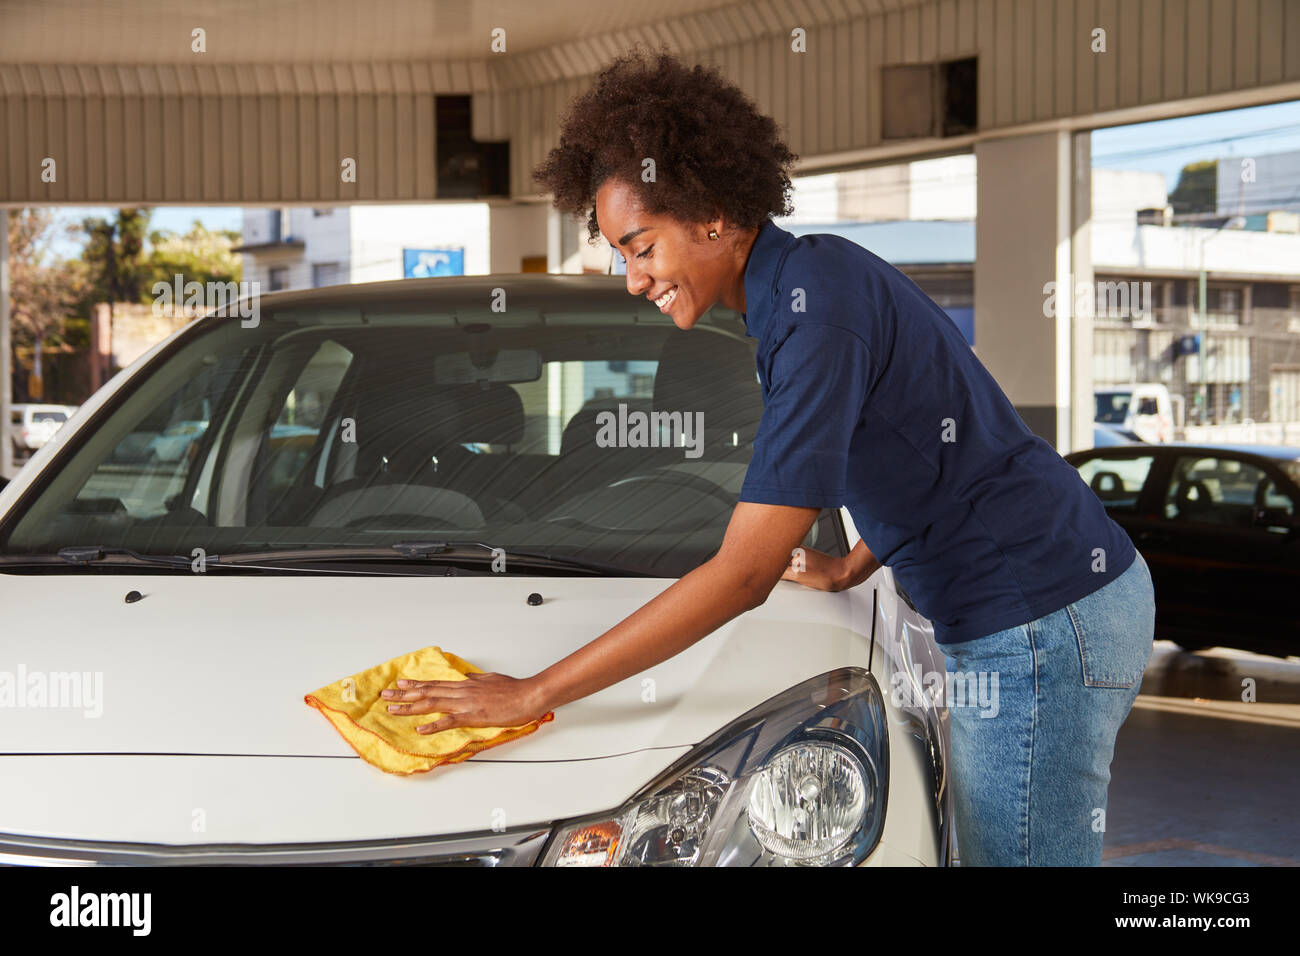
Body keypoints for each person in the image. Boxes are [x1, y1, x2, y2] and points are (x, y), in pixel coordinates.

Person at [378, 45, 1155, 866]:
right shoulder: (800, 295)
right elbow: (923, 442)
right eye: (621, 256)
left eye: (642, 247)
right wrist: (853, 564)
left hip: (1038, 620)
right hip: (1039, 608)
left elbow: (745, 575)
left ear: (711, 215)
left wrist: (531, 692)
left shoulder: (813, 310)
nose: (633, 278)